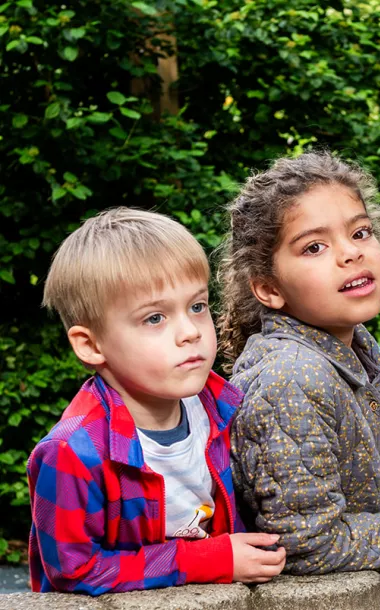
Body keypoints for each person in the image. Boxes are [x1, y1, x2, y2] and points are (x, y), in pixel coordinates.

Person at [221, 151, 380, 575]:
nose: (350, 253)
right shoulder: (292, 377)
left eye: (360, 232)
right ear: (268, 288)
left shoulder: (350, 350)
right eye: (315, 246)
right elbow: (307, 545)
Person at [29, 208, 285, 595]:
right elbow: (74, 572)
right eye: (154, 318)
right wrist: (208, 560)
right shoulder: (72, 455)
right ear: (91, 344)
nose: (189, 332)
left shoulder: (221, 406)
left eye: (197, 307)